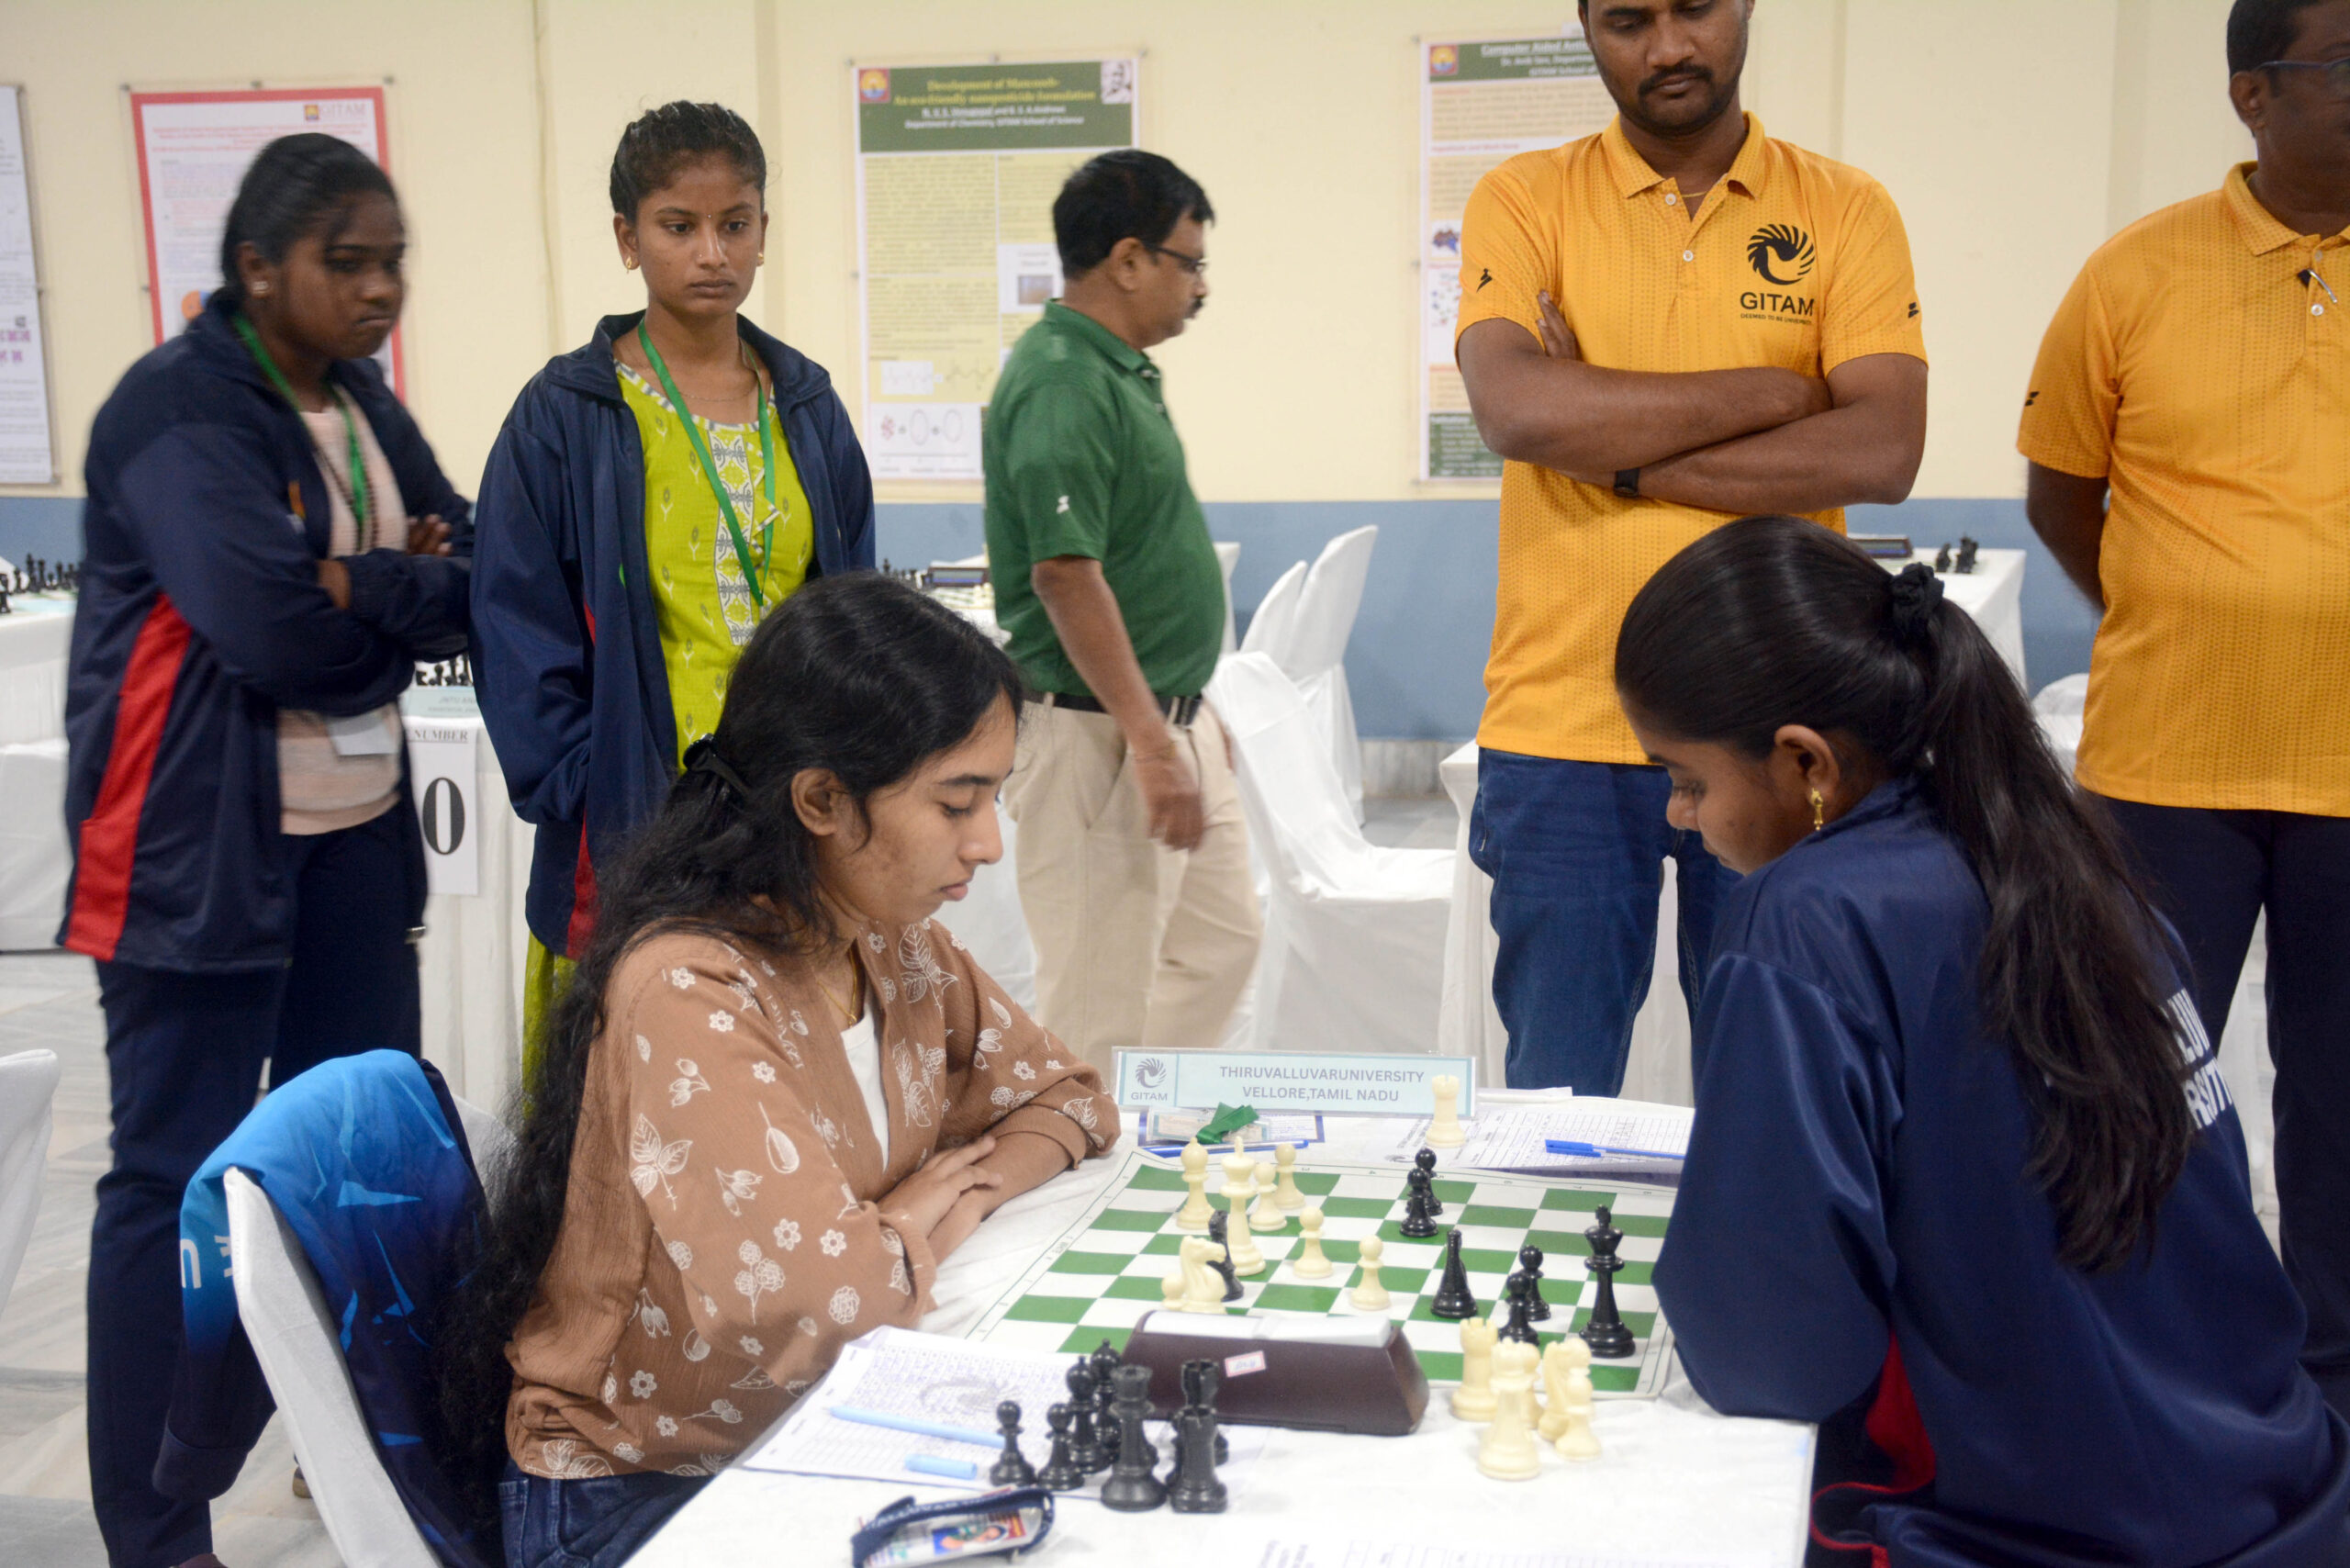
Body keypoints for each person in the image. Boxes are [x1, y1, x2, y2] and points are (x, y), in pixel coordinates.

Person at [1620, 518, 2350, 1563]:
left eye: (1684, 778)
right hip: (2279, 1491)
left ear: (1804, 763)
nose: (1679, 817)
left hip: (2028, 1533)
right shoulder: (2056, 842)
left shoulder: (1803, 917)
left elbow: (1772, 1357)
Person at [435, 575, 1119, 1568]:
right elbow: (824, 1309)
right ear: (821, 800)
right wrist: (906, 1218)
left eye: (996, 796)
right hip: (638, 1491)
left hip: (801, 1426)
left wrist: (949, 1198)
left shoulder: (890, 940)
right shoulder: (689, 990)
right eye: (956, 801)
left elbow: (1068, 1098)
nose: (988, 842)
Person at [64, 134, 472, 1568]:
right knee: (171, 1181)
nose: (379, 292)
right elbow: (268, 629)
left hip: (354, 849)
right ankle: (156, 1525)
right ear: (257, 270)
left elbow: (472, 574)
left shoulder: (358, 399)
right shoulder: (176, 414)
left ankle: (352, 1452)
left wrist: (372, 580)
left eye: (393, 262)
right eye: (346, 264)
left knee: (354, 1164)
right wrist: (379, 608)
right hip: (193, 860)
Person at [1453, 0, 1928, 1092]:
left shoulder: (1846, 208)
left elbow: (1881, 444)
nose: (1666, 47)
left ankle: (1764, 1271)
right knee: (1554, 1095)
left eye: (1693, 10)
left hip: (1781, 725)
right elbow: (1518, 413)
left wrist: (1614, 450)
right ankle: (1566, 1271)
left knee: (1783, 1078)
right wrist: (1777, 392)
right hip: (1564, 720)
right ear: (1583, 27)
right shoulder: (1522, 197)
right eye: (1627, 19)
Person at [2019, 0, 2350, 1420]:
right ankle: (2134, 1376)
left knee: (2342, 1118)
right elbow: (2060, 489)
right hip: (2171, 766)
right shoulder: (2135, 274)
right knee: (2139, 1093)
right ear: (2253, 96)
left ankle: (2329, 1397)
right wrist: (2191, 614)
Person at [472, 101, 875, 1049]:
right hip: (634, 815)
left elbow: (851, 604)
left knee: (788, 1092)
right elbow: (512, 621)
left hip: (794, 810)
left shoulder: (808, 406)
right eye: (678, 226)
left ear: (763, 233)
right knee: (634, 1092)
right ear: (627, 238)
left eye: (734, 224)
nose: (710, 254)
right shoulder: (566, 414)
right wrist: (583, 781)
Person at [985, 150, 1258, 1073]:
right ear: (1130, 259)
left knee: (1223, 943)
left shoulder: (1119, 370)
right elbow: (1065, 576)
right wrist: (1148, 740)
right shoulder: (1062, 380)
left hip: (1162, 716)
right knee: (1099, 1001)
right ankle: (1084, 1171)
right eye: (1191, 262)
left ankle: (1136, 1120)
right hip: (1099, 737)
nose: (1201, 287)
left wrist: (1188, 710)